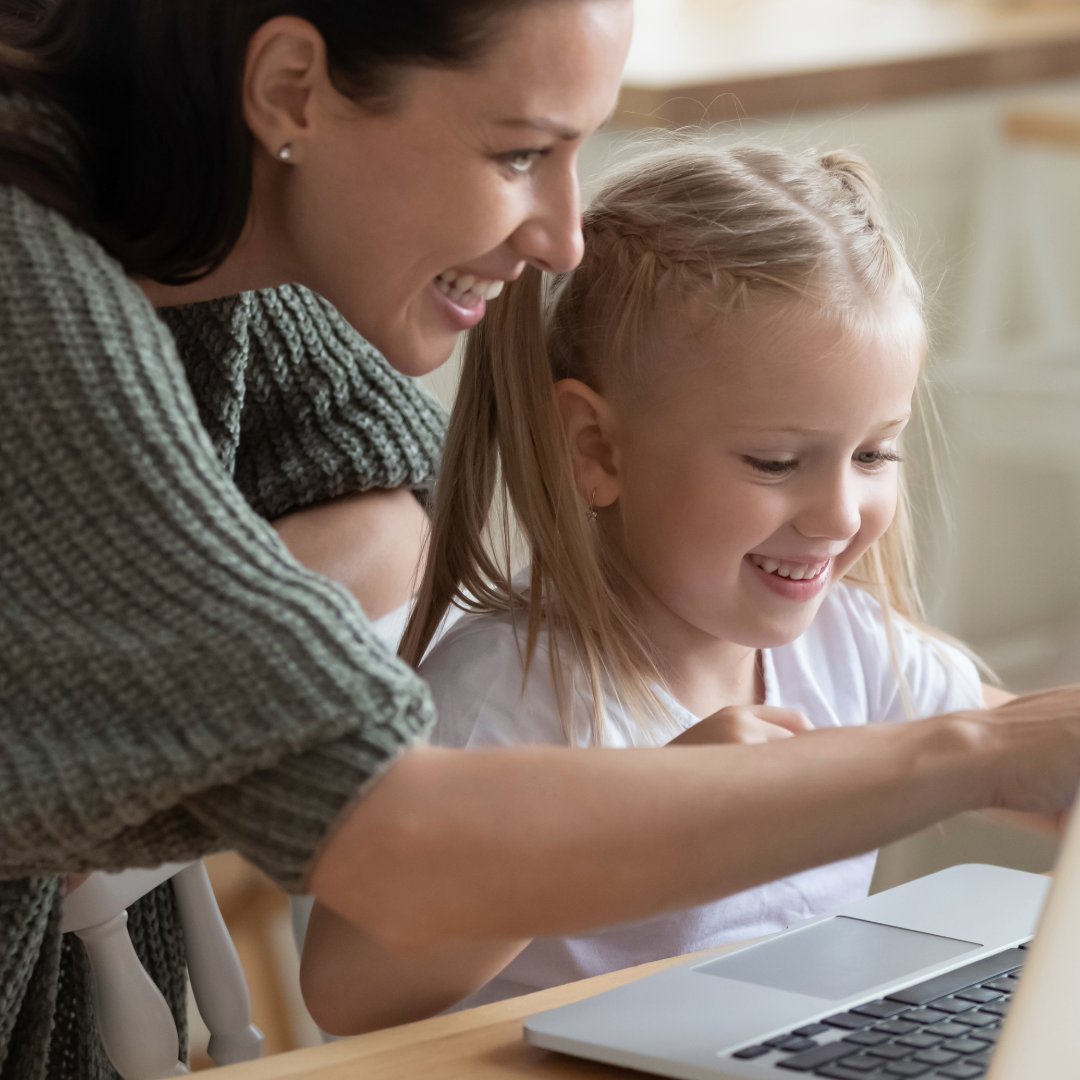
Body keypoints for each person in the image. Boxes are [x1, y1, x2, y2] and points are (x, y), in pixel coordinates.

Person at [2, 0, 1080, 1071]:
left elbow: (380, 471)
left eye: (872, 454)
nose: (564, 234)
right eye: (521, 151)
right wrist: (954, 760)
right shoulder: (38, 301)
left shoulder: (194, 246)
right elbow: (384, 860)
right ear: (291, 90)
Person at [386, 140, 1001, 1008]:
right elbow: (353, 987)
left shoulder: (850, 647)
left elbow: (1018, 756)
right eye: (777, 461)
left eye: (873, 452)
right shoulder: (505, 697)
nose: (837, 515)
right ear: (598, 449)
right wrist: (652, 812)